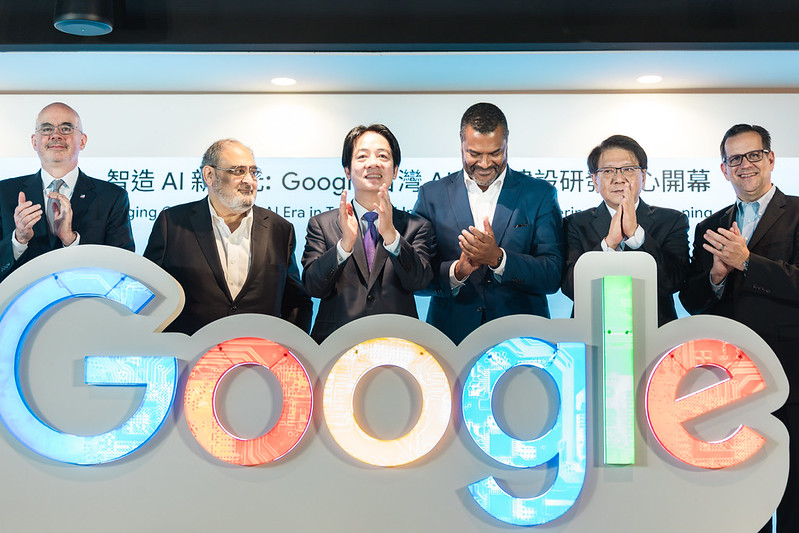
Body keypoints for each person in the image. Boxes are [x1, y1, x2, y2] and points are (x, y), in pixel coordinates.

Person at [679, 124, 799, 533]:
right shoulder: (709, 226)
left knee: (792, 485)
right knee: (745, 489)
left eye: (753, 155)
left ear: (770, 159)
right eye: (735, 159)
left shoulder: (796, 213)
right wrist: (716, 275)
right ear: (723, 168)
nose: (745, 165)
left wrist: (748, 262)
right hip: (731, 379)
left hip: (790, 371)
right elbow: (693, 301)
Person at [413, 102, 564, 344]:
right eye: (474, 154)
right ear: (461, 143)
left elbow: (552, 274)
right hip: (452, 340)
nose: (484, 164)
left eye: (495, 153)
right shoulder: (431, 195)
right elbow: (416, 277)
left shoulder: (539, 194)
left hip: (522, 341)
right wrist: (457, 272)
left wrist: (499, 259)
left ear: (507, 143)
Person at [143, 139, 312, 335]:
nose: (249, 181)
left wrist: (288, 347)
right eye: (238, 171)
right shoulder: (172, 223)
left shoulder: (279, 229)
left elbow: (296, 301)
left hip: (258, 350)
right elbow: (148, 292)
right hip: (189, 350)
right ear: (209, 175)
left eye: (253, 172)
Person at [301, 124, 434, 343]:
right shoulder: (321, 224)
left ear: (395, 169)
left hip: (398, 345)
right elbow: (313, 286)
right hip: (335, 345)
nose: (373, 163)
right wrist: (344, 245)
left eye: (383, 156)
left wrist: (392, 237)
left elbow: (419, 282)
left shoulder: (417, 226)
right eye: (362, 156)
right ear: (347, 170)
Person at [561, 135, 689, 325]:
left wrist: (636, 235)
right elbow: (571, 288)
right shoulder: (575, 223)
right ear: (595, 180)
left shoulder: (672, 220)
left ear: (643, 177)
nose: (618, 179)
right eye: (607, 171)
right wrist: (608, 245)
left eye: (628, 169)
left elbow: (673, 282)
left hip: (655, 330)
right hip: (592, 329)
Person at [0, 102, 134, 281]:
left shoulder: (112, 197)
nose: (56, 135)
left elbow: (123, 267)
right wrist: (19, 240)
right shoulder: (4, 193)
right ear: (34, 141)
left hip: (85, 297)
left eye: (66, 128)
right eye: (46, 129)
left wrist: (71, 240)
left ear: (83, 140)